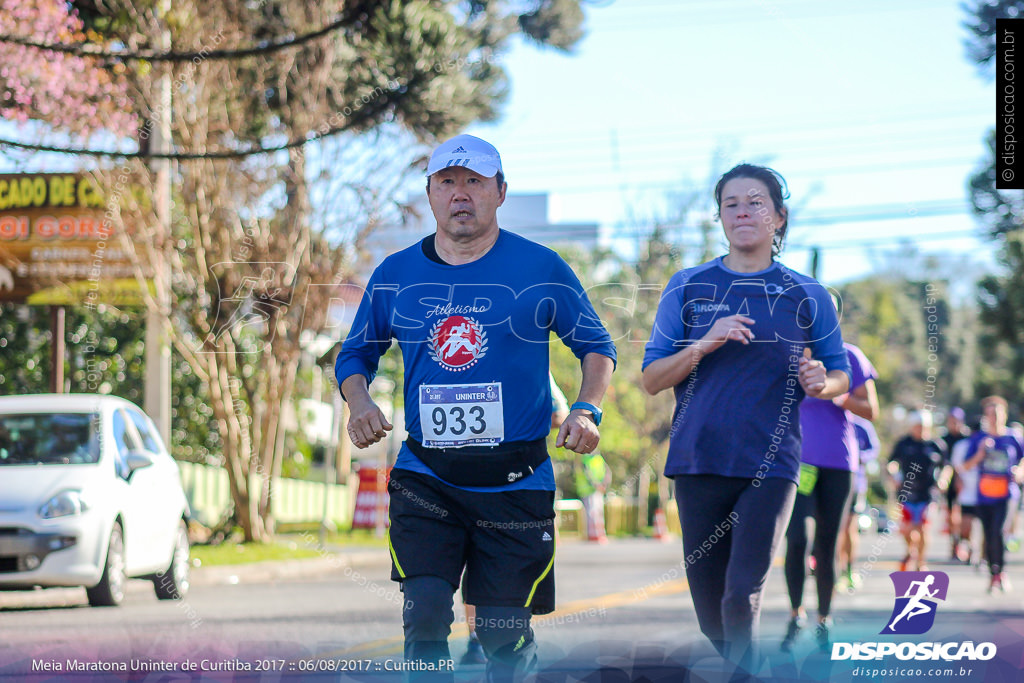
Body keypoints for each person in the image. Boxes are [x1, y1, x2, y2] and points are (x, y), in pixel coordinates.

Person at [335, 134, 616, 683]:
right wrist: (359, 400)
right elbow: (355, 353)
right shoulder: (396, 273)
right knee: (425, 617)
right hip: (427, 475)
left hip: (517, 479)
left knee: (501, 635)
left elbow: (596, 347)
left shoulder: (541, 267)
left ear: (500, 192)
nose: (460, 194)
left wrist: (586, 409)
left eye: (474, 182)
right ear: (430, 194)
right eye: (447, 182)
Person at [641, 163, 850, 672]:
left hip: (772, 465)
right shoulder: (688, 286)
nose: (742, 212)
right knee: (712, 615)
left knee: (741, 597)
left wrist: (822, 381)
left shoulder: (808, 294)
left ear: (779, 217)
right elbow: (651, 378)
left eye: (755, 202)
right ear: (719, 217)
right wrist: (706, 342)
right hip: (696, 463)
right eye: (731, 204)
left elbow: (841, 375)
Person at [460, 372, 570, 667]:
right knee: (473, 565)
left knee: (505, 567)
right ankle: (476, 639)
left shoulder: (529, 365)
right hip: (458, 478)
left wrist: (512, 420)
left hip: (520, 480)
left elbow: (560, 413)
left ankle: (511, 636)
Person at [780, 341, 879, 653]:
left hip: (839, 463)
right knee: (796, 540)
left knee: (828, 544)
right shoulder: (787, 351)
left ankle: (824, 620)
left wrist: (839, 394)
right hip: (797, 462)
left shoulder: (849, 355)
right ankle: (796, 615)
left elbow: (871, 409)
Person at [960, 396, 1024, 592]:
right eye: (989, 414)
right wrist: (980, 454)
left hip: (1006, 495)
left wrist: (1019, 472)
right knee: (989, 535)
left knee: (998, 533)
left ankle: (1000, 573)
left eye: (997, 413)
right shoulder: (978, 439)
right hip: (984, 495)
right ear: (985, 417)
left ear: (1004, 415)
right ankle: (993, 573)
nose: (993, 417)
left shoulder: (1014, 438)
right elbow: (965, 466)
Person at [887, 410, 944, 572]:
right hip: (906, 494)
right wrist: (893, 474)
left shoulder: (935, 445)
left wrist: (943, 479)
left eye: (924, 426)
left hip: (928, 494)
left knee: (923, 528)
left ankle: (921, 562)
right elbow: (891, 462)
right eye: (918, 426)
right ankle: (911, 550)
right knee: (906, 529)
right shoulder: (903, 444)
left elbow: (946, 466)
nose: (921, 429)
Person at [837, 415, 880, 590]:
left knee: (849, 527)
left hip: (856, 483)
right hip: (830, 482)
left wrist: (855, 455)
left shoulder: (862, 425)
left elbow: (873, 450)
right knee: (834, 527)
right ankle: (835, 568)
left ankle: (848, 569)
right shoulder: (828, 418)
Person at [951, 417, 984, 566]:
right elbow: (957, 466)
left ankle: (983, 555)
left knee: (986, 527)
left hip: (985, 492)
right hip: (968, 491)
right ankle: (970, 549)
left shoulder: (989, 443)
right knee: (966, 525)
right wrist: (958, 481)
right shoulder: (962, 445)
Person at [941, 407, 970, 560]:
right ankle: (954, 545)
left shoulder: (967, 438)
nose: (953, 424)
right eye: (951, 421)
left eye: (956, 421)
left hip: (966, 482)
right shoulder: (943, 439)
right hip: (949, 483)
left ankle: (967, 546)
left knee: (967, 517)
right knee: (952, 517)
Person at [576, 451, 612, 543]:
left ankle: (599, 534)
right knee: (592, 513)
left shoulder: (599, 458)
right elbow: (587, 474)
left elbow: (607, 471)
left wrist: (604, 485)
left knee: (598, 512)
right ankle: (592, 535)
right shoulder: (585, 459)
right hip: (588, 490)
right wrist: (596, 485)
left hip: (598, 490)